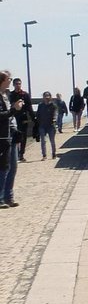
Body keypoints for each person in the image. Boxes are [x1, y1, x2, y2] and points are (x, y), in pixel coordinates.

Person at [0, 71, 24, 208]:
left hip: (12, 134)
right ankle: (1, 198)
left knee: (13, 167)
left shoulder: (7, 95)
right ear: (2, 80)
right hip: (3, 137)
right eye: (9, 78)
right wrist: (14, 109)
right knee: (4, 168)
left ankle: (9, 197)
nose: (11, 80)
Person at [9, 78, 31, 162]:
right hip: (14, 118)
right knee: (14, 137)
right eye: (16, 84)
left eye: (19, 84)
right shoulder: (11, 95)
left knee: (23, 137)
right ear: (13, 85)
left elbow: (29, 108)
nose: (18, 85)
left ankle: (21, 154)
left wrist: (34, 119)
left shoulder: (25, 95)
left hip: (23, 118)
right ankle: (15, 154)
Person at [35, 91, 58, 160]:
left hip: (51, 125)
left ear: (50, 97)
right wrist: (36, 121)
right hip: (42, 125)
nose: (47, 97)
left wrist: (54, 119)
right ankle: (44, 155)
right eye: (45, 96)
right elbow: (38, 114)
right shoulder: (40, 105)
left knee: (52, 140)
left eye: (48, 96)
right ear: (43, 97)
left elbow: (55, 113)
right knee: (43, 140)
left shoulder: (53, 105)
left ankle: (54, 154)